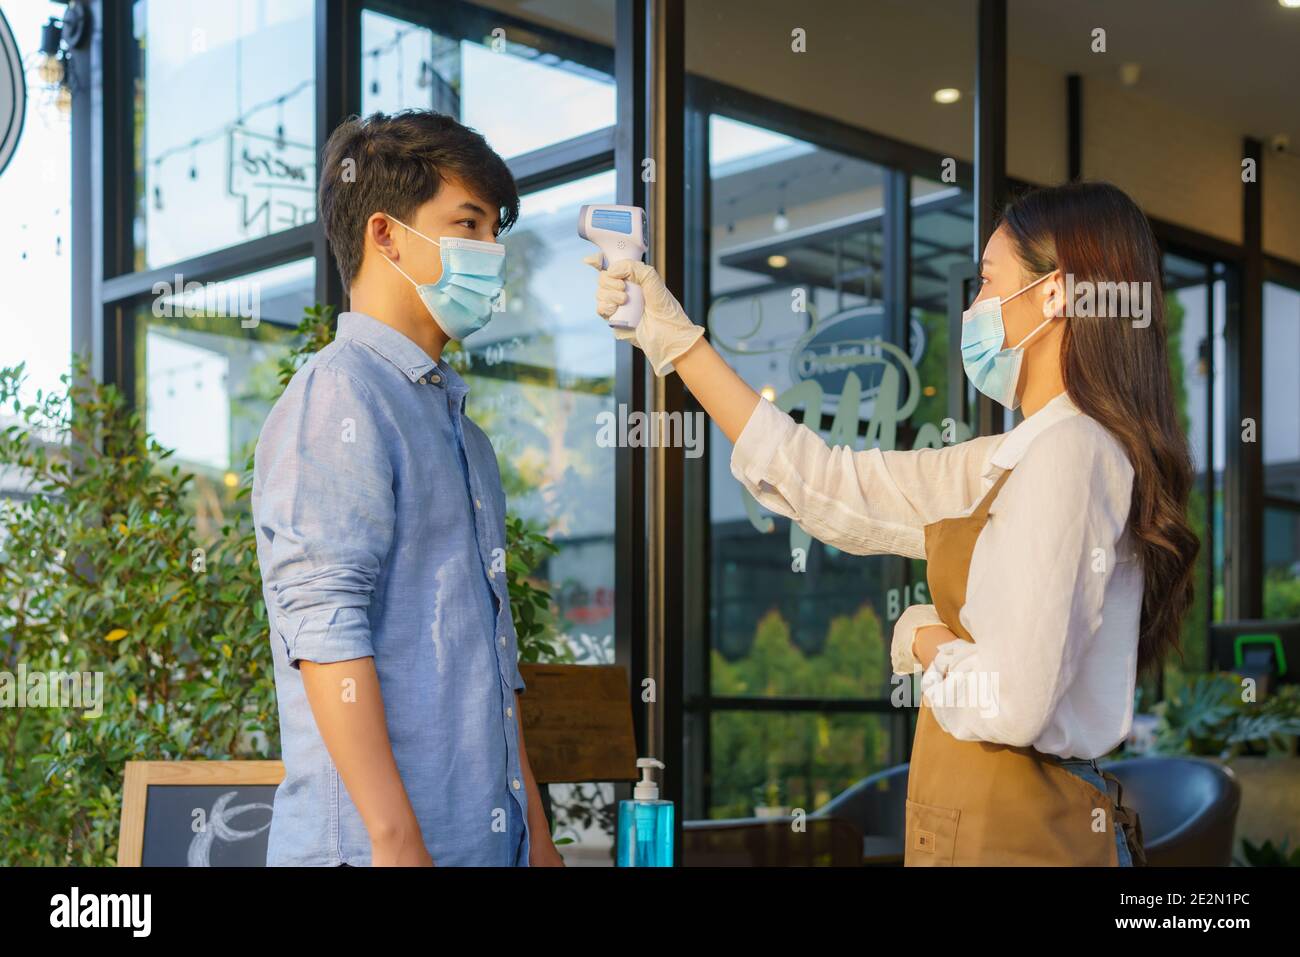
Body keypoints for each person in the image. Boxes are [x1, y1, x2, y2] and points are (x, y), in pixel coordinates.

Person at [588, 180, 1199, 866]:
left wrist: (923, 637)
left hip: (1024, 835)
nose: (972, 308)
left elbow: (1014, 701)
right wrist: (673, 338)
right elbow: (822, 480)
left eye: (986, 282)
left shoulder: (1070, 452)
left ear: (1055, 293)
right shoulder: (1018, 457)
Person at [253, 110, 563, 867]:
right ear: (386, 235)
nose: (493, 253)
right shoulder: (340, 395)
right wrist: (398, 845)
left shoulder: (461, 431)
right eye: (470, 224)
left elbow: (492, 666)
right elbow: (327, 635)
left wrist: (541, 841)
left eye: (496, 232)